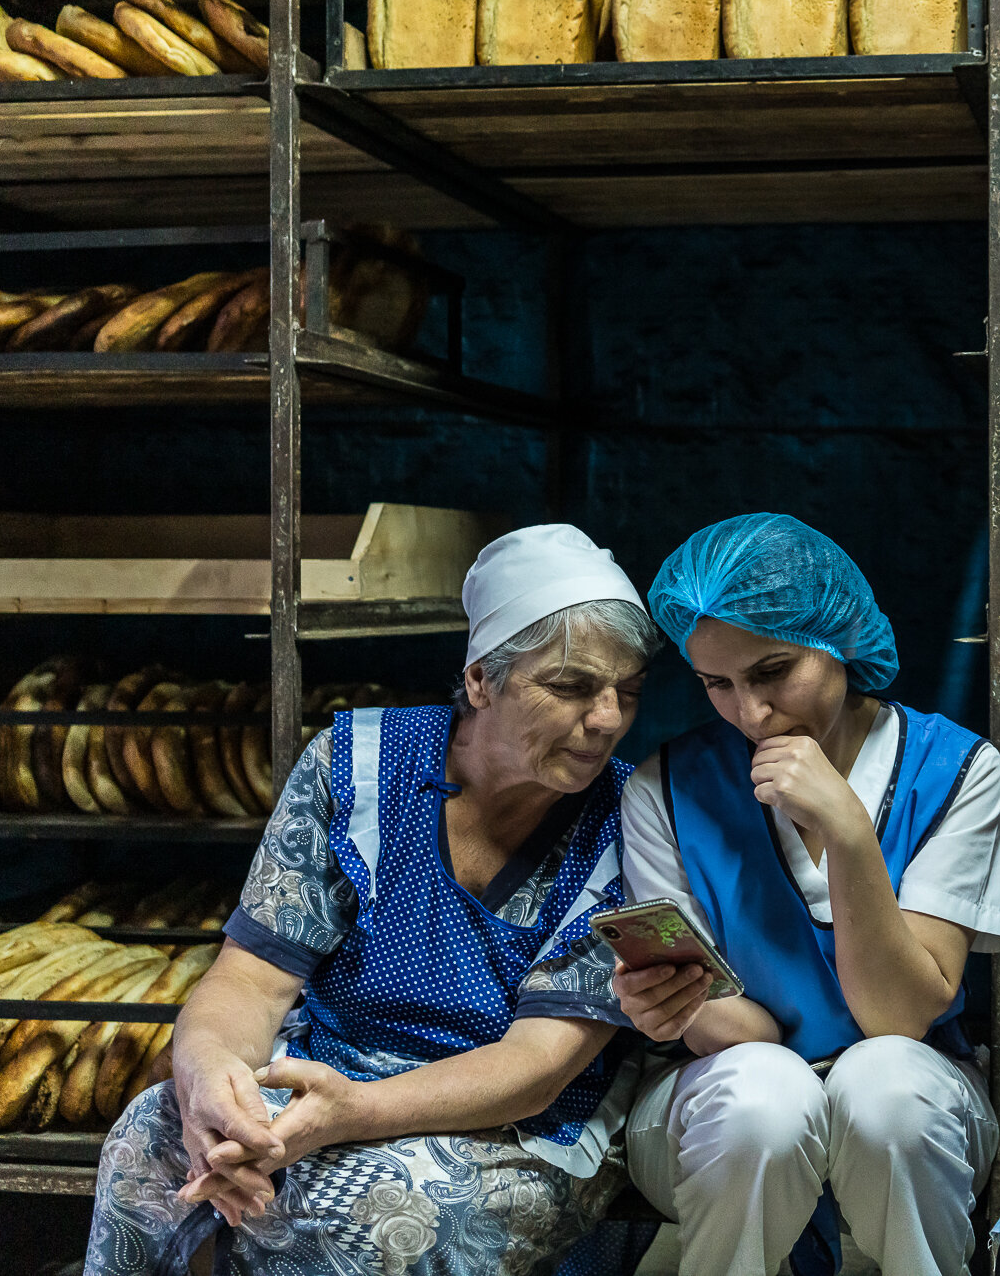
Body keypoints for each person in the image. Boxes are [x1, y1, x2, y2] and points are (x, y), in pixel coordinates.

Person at [85, 525, 663, 1276]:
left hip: (511, 1124)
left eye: (629, 692)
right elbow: (252, 977)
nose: (609, 719)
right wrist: (209, 1081)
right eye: (572, 686)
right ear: (482, 679)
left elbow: (537, 1065)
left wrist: (348, 1115)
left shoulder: (633, 820)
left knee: (380, 1216)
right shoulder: (359, 765)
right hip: (327, 1069)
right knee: (150, 1135)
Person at [609, 513, 1000, 1276]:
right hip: (726, 1095)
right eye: (716, 684)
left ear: (841, 640)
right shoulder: (664, 790)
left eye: (772, 672)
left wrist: (851, 832)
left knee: (884, 1084)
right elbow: (732, 1033)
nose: (750, 714)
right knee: (764, 1097)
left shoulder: (957, 772)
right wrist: (677, 1006)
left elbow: (899, 1016)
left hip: (914, 1096)